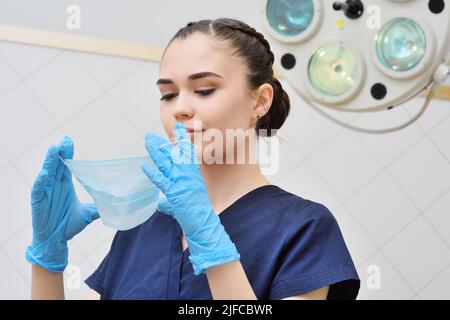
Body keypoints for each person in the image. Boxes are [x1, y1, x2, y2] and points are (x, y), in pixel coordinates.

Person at [26, 18, 360, 300]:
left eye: (204, 90)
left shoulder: (303, 228)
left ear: (260, 101)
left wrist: (213, 247)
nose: (180, 108)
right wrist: (47, 259)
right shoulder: (142, 225)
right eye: (168, 94)